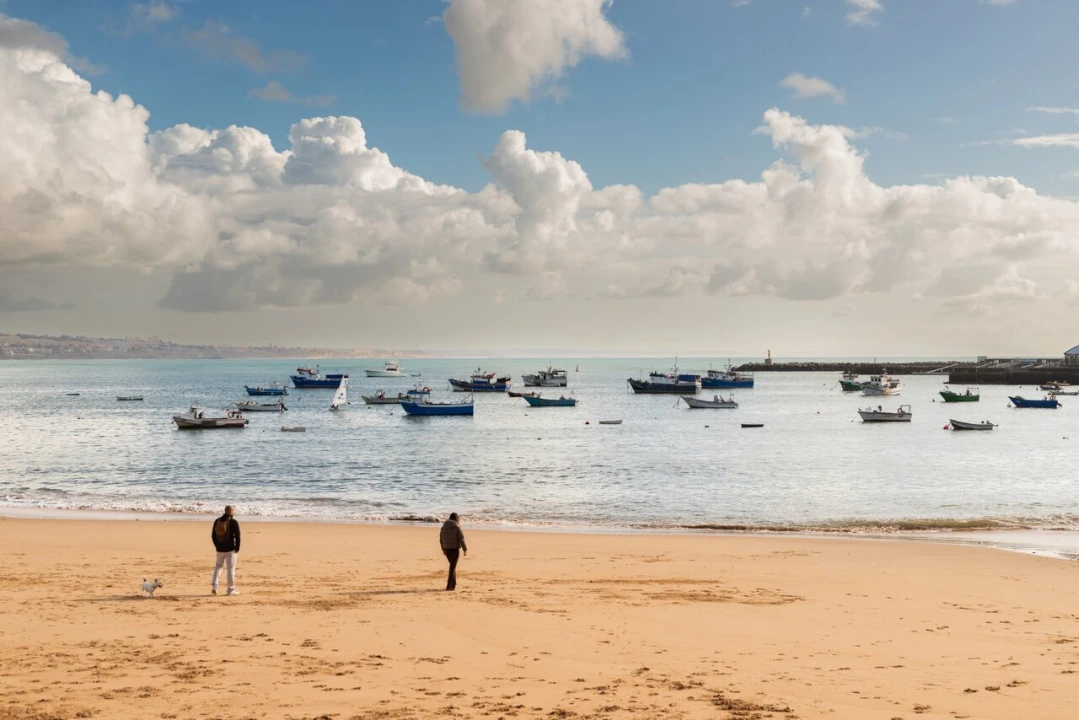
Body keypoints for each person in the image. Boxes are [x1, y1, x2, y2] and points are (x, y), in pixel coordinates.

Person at [211, 505, 241, 596]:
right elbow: (237, 536)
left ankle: (214, 587)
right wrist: (237, 547)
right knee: (230, 569)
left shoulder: (217, 521)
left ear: (225, 511)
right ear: (231, 512)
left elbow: (213, 536)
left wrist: (217, 546)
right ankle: (230, 590)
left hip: (219, 549)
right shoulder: (234, 522)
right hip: (230, 549)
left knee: (218, 566)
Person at [439, 512, 467, 591]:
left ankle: (453, 585)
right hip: (454, 549)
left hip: (446, 548)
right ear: (456, 519)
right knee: (452, 567)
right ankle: (449, 586)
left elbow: (441, 539)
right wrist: (465, 549)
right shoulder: (457, 527)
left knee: (452, 566)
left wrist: (443, 549)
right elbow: (461, 538)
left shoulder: (443, 526)